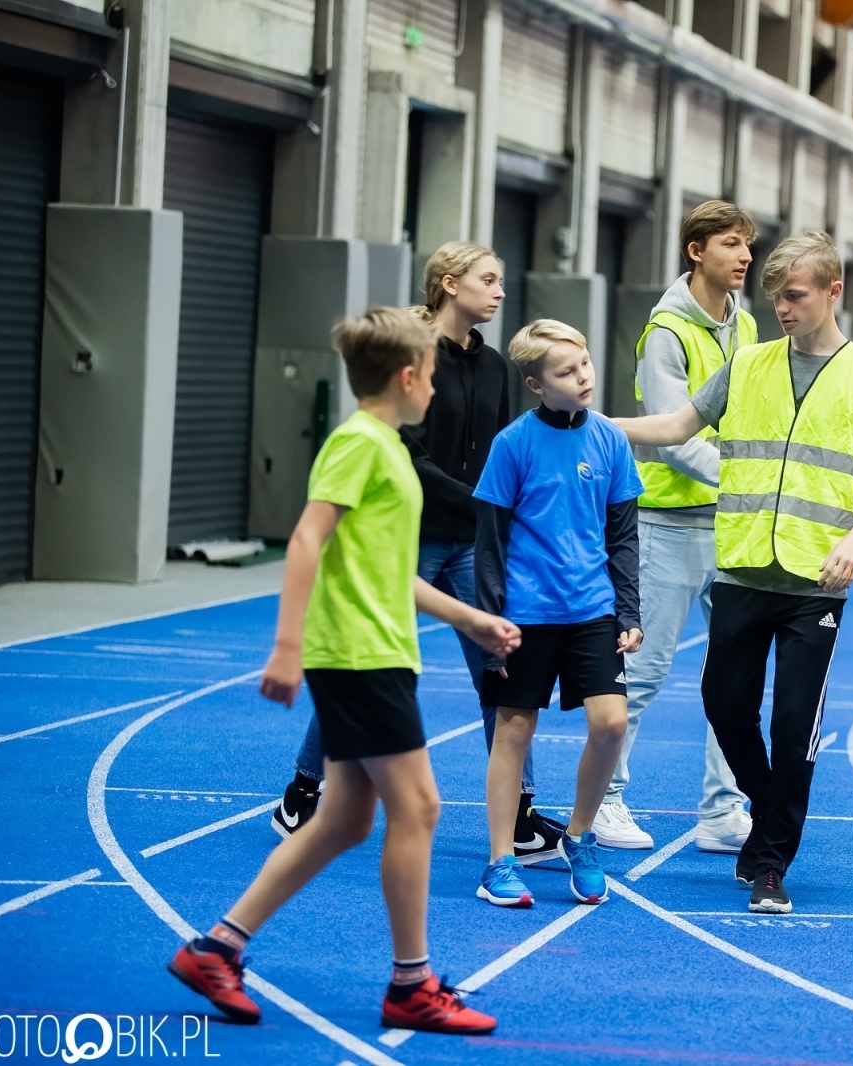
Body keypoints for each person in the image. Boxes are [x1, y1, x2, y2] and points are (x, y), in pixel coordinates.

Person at [168, 307, 518, 1033]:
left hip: (384, 646)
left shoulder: (388, 447)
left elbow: (389, 568)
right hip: (355, 653)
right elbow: (306, 538)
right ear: (410, 376)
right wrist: (287, 647)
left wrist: (469, 617)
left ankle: (217, 948)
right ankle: (412, 984)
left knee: (347, 819)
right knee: (418, 807)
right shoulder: (359, 443)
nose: (440, 392)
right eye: (434, 377)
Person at [614, 231, 853, 915]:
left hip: (817, 583)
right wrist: (596, 422)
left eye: (795, 295)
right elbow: (676, 426)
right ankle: (771, 807)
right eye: (776, 295)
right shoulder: (748, 365)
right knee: (723, 703)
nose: (781, 306)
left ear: (833, 291)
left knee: (792, 726)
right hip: (746, 566)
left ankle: (771, 862)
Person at [271, 244, 563, 864]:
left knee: (499, 662)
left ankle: (520, 809)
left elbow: (506, 448)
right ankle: (303, 786)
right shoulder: (409, 359)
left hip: (473, 540)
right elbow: (411, 455)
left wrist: (509, 509)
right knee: (367, 664)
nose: (500, 292)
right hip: (415, 537)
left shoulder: (493, 367)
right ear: (450, 285)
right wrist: (485, 501)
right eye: (489, 280)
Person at [602, 200, 758, 853]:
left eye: (748, 244)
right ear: (696, 251)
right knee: (643, 671)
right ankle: (604, 799)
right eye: (730, 243)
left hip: (735, 526)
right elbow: (669, 436)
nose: (745, 255)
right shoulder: (666, 331)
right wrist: (741, 481)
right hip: (669, 521)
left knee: (738, 671)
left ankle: (722, 810)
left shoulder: (747, 326)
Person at [472, 319, 643, 908]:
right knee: (514, 730)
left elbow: (623, 537)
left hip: (592, 609)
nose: (583, 377)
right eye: (566, 372)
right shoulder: (513, 444)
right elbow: (489, 544)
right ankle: (499, 861)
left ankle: (580, 835)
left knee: (611, 723)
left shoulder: (610, 441)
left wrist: (629, 610)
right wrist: (491, 623)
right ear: (535, 383)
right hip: (525, 613)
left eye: (586, 364)